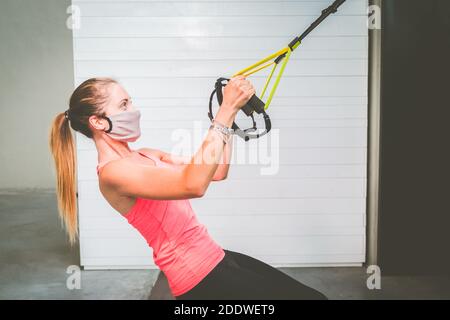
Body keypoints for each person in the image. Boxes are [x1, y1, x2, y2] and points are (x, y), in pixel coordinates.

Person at [49, 76, 327, 300]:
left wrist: (227, 116)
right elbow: (193, 185)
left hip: (215, 257)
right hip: (199, 278)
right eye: (123, 104)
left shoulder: (147, 155)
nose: (134, 110)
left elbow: (214, 171)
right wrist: (225, 110)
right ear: (98, 122)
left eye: (131, 102)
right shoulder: (113, 173)